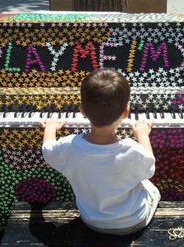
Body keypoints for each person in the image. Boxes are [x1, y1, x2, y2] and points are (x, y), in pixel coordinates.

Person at [40, 68, 160, 235]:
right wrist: (142, 135)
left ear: (82, 110)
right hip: (134, 220)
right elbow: (149, 166)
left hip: (92, 221)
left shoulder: (69, 146)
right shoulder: (132, 150)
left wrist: (50, 128)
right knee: (149, 186)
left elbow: (48, 150)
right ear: (126, 111)